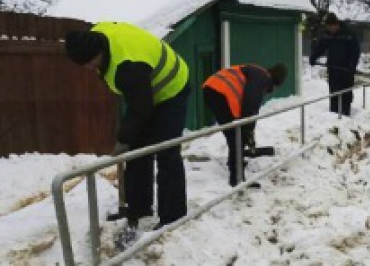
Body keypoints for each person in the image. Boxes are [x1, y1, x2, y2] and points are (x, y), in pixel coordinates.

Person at [64, 22, 190, 231]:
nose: (89, 68)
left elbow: (142, 109)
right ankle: (139, 208)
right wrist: (129, 140)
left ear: (99, 51)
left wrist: (123, 139)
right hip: (144, 89)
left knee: (167, 151)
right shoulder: (98, 35)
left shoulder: (127, 67)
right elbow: (139, 105)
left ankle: (173, 216)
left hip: (172, 88)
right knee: (137, 152)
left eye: (90, 63)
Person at [202, 63, 287, 187]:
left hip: (214, 89)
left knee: (236, 133)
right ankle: (237, 179)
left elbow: (249, 109)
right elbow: (250, 106)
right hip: (219, 93)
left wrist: (248, 130)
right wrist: (248, 131)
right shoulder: (262, 77)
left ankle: (235, 162)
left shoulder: (257, 72)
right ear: (274, 80)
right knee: (236, 135)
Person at [309, 12, 361, 116]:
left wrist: (352, 65)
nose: (331, 29)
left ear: (337, 24)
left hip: (346, 70)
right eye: (329, 27)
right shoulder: (327, 35)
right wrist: (313, 57)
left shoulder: (348, 34)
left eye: (333, 26)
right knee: (333, 92)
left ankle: (345, 114)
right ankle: (333, 114)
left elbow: (355, 52)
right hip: (333, 68)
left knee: (346, 92)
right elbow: (320, 47)